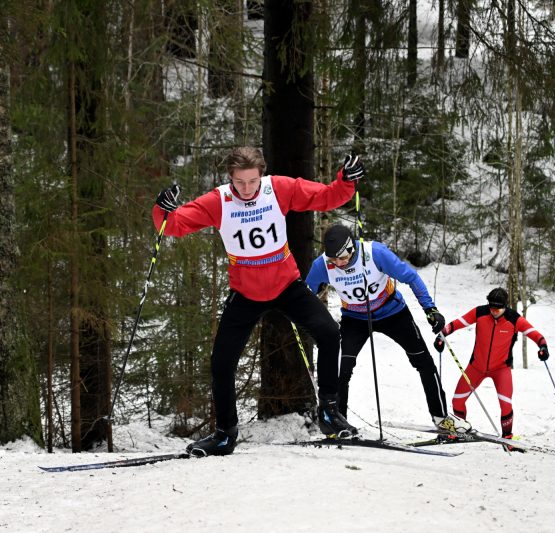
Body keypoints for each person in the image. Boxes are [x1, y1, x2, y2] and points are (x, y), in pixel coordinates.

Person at [153, 147, 366, 456]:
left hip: (286, 285)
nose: (248, 189)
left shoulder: (277, 188)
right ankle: (225, 434)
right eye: (240, 182)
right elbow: (175, 224)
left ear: (262, 175)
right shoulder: (219, 200)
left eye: (253, 181)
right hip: (246, 293)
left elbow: (325, 197)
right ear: (230, 178)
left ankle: (330, 413)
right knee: (221, 363)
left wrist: (346, 180)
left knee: (330, 332)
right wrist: (164, 209)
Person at [305, 225, 472, 434]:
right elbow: (306, 293)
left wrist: (430, 309)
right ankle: (339, 420)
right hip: (355, 318)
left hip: (392, 312)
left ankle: (441, 417)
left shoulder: (375, 253)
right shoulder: (322, 265)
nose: (338, 264)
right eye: (333, 260)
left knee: (424, 362)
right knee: (341, 369)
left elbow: (411, 277)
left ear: (351, 248)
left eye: (342, 258)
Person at [433, 287, 549, 448]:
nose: (494, 311)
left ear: (505, 306)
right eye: (491, 307)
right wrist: (442, 335)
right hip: (476, 367)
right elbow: (457, 323)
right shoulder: (480, 312)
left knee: (505, 404)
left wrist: (542, 347)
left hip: (501, 369)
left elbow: (535, 334)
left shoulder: (514, 319)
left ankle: (507, 438)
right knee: (457, 401)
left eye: (498, 308)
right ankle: (459, 432)